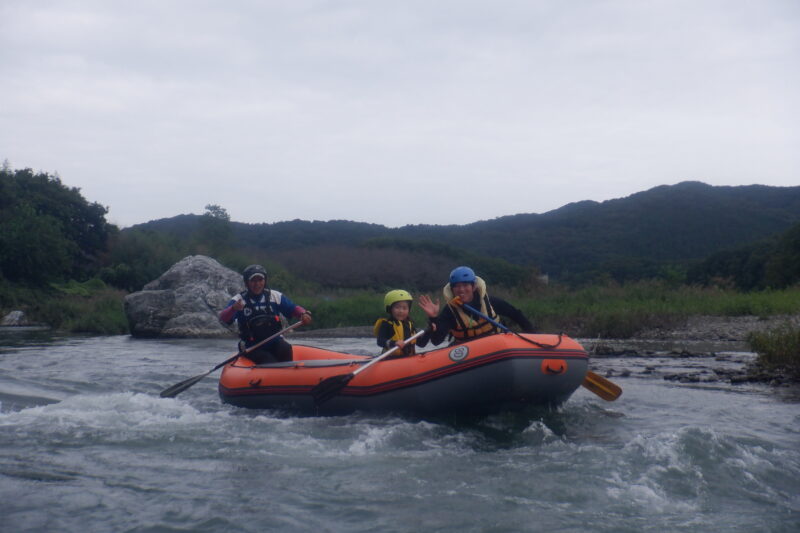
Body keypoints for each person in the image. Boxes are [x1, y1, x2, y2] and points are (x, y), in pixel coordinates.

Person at [219, 264, 312, 364]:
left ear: (265, 281)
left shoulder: (275, 296)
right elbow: (223, 318)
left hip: (274, 341)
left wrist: (303, 313)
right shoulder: (238, 300)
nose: (257, 284)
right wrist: (233, 309)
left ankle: (288, 375)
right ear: (247, 283)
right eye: (253, 281)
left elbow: (293, 308)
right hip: (252, 346)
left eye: (260, 280)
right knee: (267, 359)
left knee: (285, 349)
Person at [418, 266, 534, 346]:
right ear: (452, 290)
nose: (461, 289)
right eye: (457, 286)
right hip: (466, 351)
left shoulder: (490, 302)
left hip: (496, 344)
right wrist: (433, 318)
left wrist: (533, 336)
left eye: (465, 285)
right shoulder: (450, 311)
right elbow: (436, 341)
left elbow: (515, 314)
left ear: (473, 287)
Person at [373, 289, 433, 358]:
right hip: (390, 359)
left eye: (404, 308)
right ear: (390, 309)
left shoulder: (410, 325)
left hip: (408, 359)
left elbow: (421, 344)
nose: (401, 311)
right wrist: (394, 343)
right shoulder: (387, 324)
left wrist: (429, 332)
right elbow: (380, 341)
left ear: (408, 310)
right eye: (397, 307)